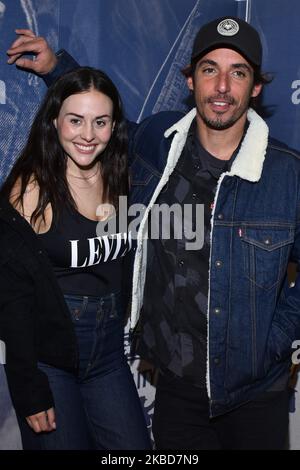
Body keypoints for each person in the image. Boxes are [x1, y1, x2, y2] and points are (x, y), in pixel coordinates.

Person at [7, 16, 300, 450]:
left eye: (237, 72)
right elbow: (98, 124)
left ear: (255, 87)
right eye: (209, 70)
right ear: (190, 81)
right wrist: (57, 67)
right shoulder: (156, 144)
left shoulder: (288, 174)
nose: (222, 86)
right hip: (177, 390)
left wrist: (274, 339)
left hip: (255, 394)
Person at [0, 66, 151, 450]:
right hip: (49, 358)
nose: (88, 135)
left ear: (114, 126)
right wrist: (28, 386)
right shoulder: (31, 188)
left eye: (100, 122)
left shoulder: (122, 177)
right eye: (75, 120)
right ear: (54, 121)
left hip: (110, 355)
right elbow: (11, 297)